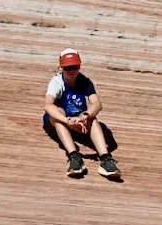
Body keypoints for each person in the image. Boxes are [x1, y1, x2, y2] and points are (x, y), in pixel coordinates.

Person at [43, 49, 121, 179]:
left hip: (78, 120)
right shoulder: (56, 82)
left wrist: (85, 116)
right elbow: (48, 105)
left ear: (79, 66)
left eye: (75, 67)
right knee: (59, 113)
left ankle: (105, 158)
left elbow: (97, 104)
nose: (71, 71)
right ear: (61, 67)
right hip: (59, 122)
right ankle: (74, 156)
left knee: (92, 118)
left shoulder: (85, 81)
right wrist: (66, 120)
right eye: (67, 67)